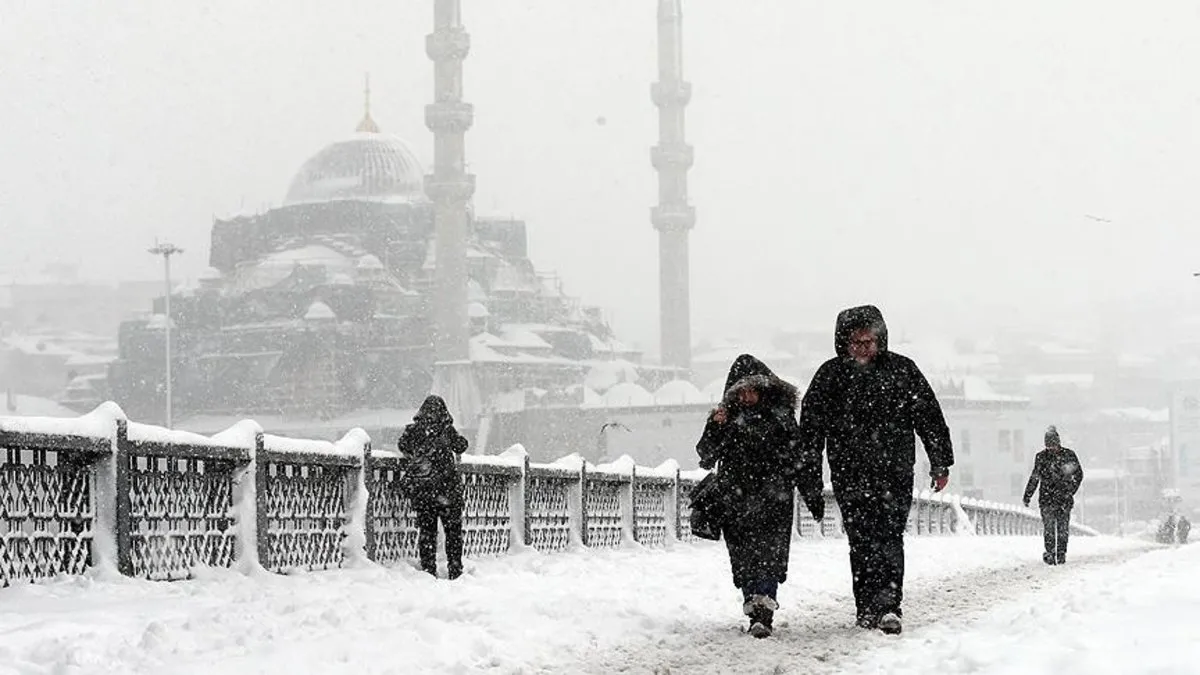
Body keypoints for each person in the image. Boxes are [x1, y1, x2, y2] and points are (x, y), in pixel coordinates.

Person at [797, 305, 954, 635]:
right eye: (857, 342)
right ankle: (866, 606)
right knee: (861, 539)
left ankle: (888, 605)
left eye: (869, 341)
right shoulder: (830, 377)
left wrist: (940, 461)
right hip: (849, 473)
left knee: (889, 536)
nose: (863, 348)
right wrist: (809, 477)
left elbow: (928, 416)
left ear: (880, 340)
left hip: (894, 471)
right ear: (845, 343)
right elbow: (810, 431)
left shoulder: (902, 371)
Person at [696, 354, 819, 639]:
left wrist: (811, 492)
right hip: (736, 500)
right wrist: (715, 425)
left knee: (769, 556)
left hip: (774, 500)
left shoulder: (781, 418)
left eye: (753, 389)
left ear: (765, 389)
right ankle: (752, 602)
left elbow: (800, 458)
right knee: (743, 557)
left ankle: (763, 608)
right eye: (742, 391)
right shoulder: (726, 419)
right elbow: (705, 456)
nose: (748, 396)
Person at [397, 395, 469, 579]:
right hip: (447, 490)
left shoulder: (414, 430)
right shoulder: (446, 430)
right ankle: (455, 569)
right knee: (453, 533)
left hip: (424, 491)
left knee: (427, 533)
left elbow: (403, 445)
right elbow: (461, 446)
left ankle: (428, 570)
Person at [1022, 425, 1084, 565]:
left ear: (1058, 442)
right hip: (1047, 499)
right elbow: (1035, 477)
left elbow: (1078, 474)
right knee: (1049, 528)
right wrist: (1028, 495)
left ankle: (1061, 553)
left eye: (1053, 445)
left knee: (1062, 528)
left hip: (1063, 499)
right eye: (1049, 446)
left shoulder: (1069, 455)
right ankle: (1050, 553)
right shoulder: (1041, 457)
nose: (1051, 448)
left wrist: (1070, 491)